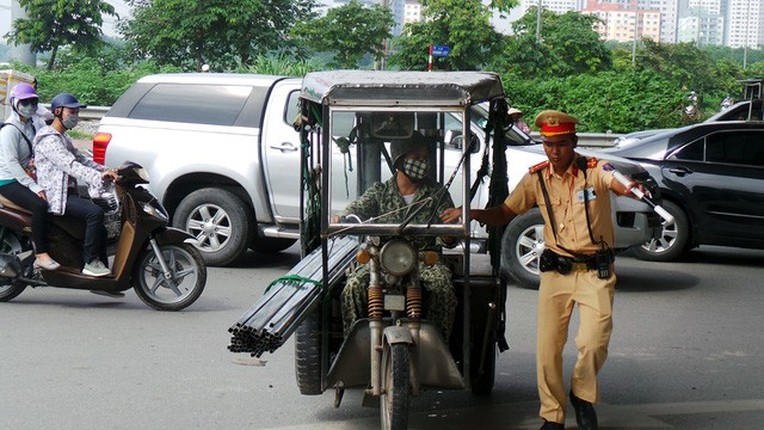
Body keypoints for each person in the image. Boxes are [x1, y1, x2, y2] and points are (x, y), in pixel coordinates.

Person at [443, 110, 640, 430]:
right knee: (548, 349)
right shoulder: (536, 178)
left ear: (574, 143)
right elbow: (506, 211)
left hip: (595, 272)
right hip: (556, 272)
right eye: (549, 145)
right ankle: (552, 415)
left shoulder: (594, 170)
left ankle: (582, 394)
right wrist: (472, 213)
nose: (554, 151)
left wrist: (631, 188)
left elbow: (615, 181)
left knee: (594, 341)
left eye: (561, 144)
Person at [338, 131, 458, 340]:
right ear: (400, 161)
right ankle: (356, 345)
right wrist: (343, 218)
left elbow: (448, 235)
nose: (423, 163)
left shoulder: (437, 193)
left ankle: (436, 349)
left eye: (425, 158)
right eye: (416, 158)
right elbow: (356, 210)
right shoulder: (380, 191)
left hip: (424, 259)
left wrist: (448, 234)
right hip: (382, 259)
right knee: (353, 287)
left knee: (443, 290)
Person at [33, 93, 118, 277]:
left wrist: (108, 170)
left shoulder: (63, 138)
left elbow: (82, 160)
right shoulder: (49, 140)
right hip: (56, 197)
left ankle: (102, 276)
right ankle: (89, 263)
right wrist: (98, 176)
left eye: (77, 112)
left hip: (68, 194)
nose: (75, 116)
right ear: (58, 111)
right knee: (95, 213)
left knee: (101, 228)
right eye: (72, 111)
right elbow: (71, 166)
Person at [0, 83, 60, 270]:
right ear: (14, 104)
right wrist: (34, 187)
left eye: (33, 102)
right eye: (24, 102)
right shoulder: (9, 130)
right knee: (40, 204)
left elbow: (49, 121)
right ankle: (41, 253)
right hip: (7, 180)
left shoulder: (33, 124)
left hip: (24, 176)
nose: (29, 106)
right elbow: (12, 163)